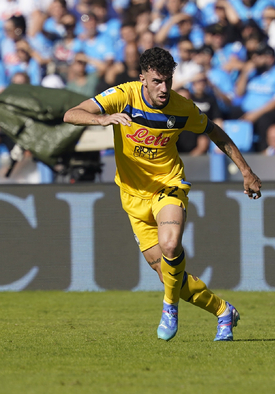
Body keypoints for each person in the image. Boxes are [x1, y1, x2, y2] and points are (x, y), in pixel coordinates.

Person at [63, 47, 262, 342]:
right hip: (132, 197)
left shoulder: (181, 108)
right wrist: (102, 119)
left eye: (168, 80)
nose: (164, 88)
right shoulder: (122, 96)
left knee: (171, 246)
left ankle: (169, 307)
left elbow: (215, 132)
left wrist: (246, 171)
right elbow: (71, 114)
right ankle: (223, 311)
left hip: (168, 187)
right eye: (157, 81)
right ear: (142, 78)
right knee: (172, 278)